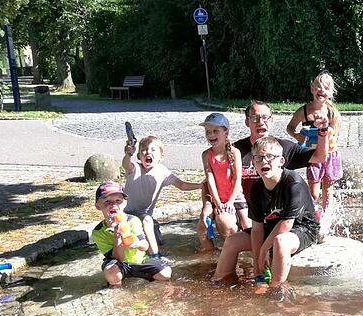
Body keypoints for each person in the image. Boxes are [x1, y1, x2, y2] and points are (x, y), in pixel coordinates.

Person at [213, 137, 319, 302]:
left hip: (301, 229)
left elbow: (286, 224)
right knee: (232, 241)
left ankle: (277, 289)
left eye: (270, 157)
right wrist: (257, 264)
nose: (264, 161)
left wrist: (263, 250)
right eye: (259, 158)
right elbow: (257, 228)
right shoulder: (257, 188)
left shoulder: (293, 183)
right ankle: (219, 283)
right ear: (253, 163)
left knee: (280, 242)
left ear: (281, 161)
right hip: (271, 227)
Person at [123, 135, 201, 261]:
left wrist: (200, 186)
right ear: (138, 156)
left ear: (161, 156)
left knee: (158, 240)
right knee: (147, 221)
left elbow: (181, 185)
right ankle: (155, 258)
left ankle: (153, 252)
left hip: (145, 215)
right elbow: (126, 164)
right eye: (144, 150)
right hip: (127, 214)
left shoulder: (163, 172)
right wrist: (128, 154)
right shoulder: (135, 168)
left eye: (153, 150)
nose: (148, 152)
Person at [233, 100, 329, 196]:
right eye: (255, 118)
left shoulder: (284, 147)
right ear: (247, 122)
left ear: (272, 121)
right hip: (246, 207)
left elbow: (319, 157)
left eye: (265, 118)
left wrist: (323, 131)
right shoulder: (235, 150)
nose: (261, 122)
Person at [91, 181, 171, 286]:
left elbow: (145, 246)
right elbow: (117, 258)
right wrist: (117, 237)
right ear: (98, 206)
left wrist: (137, 243)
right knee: (111, 272)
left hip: (139, 261)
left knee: (166, 274)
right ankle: (116, 288)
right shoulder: (98, 232)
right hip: (119, 264)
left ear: (124, 203)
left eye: (118, 201)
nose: (113, 205)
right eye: (107, 201)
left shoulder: (132, 221)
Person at [286, 72, 342, 213]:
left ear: (331, 92)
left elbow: (335, 131)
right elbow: (290, 127)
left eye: (326, 88)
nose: (322, 90)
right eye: (318, 86)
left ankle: (326, 215)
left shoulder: (332, 111)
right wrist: (297, 135)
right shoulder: (304, 111)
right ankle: (313, 212)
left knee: (328, 188)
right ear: (312, 89)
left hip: (329, 153)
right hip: (313, 154)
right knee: (314, 191)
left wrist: (326, 131)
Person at [198, 113, 251, 252]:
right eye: (208, 132)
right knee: (203, 227)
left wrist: (230, 201)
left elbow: (237, 179)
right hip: (218, 198)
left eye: (216, 131)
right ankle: (215, 253)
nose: (211, 135)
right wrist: (218, 203)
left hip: (236, 196)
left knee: (248, 227)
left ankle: (244, 251)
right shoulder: (206, 155)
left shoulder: (234, 152)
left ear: (226, 132)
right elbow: (210, 179)